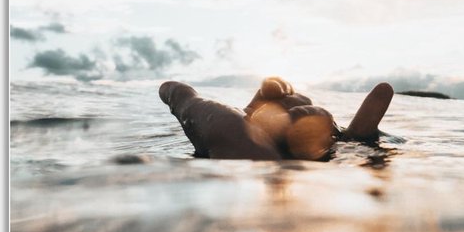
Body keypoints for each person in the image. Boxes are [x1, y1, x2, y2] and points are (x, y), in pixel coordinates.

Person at [159, 76, 394, 162]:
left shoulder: (231, 131)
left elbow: (173, 91)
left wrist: (356, 144)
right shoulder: (231, 129)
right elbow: (172, 90)